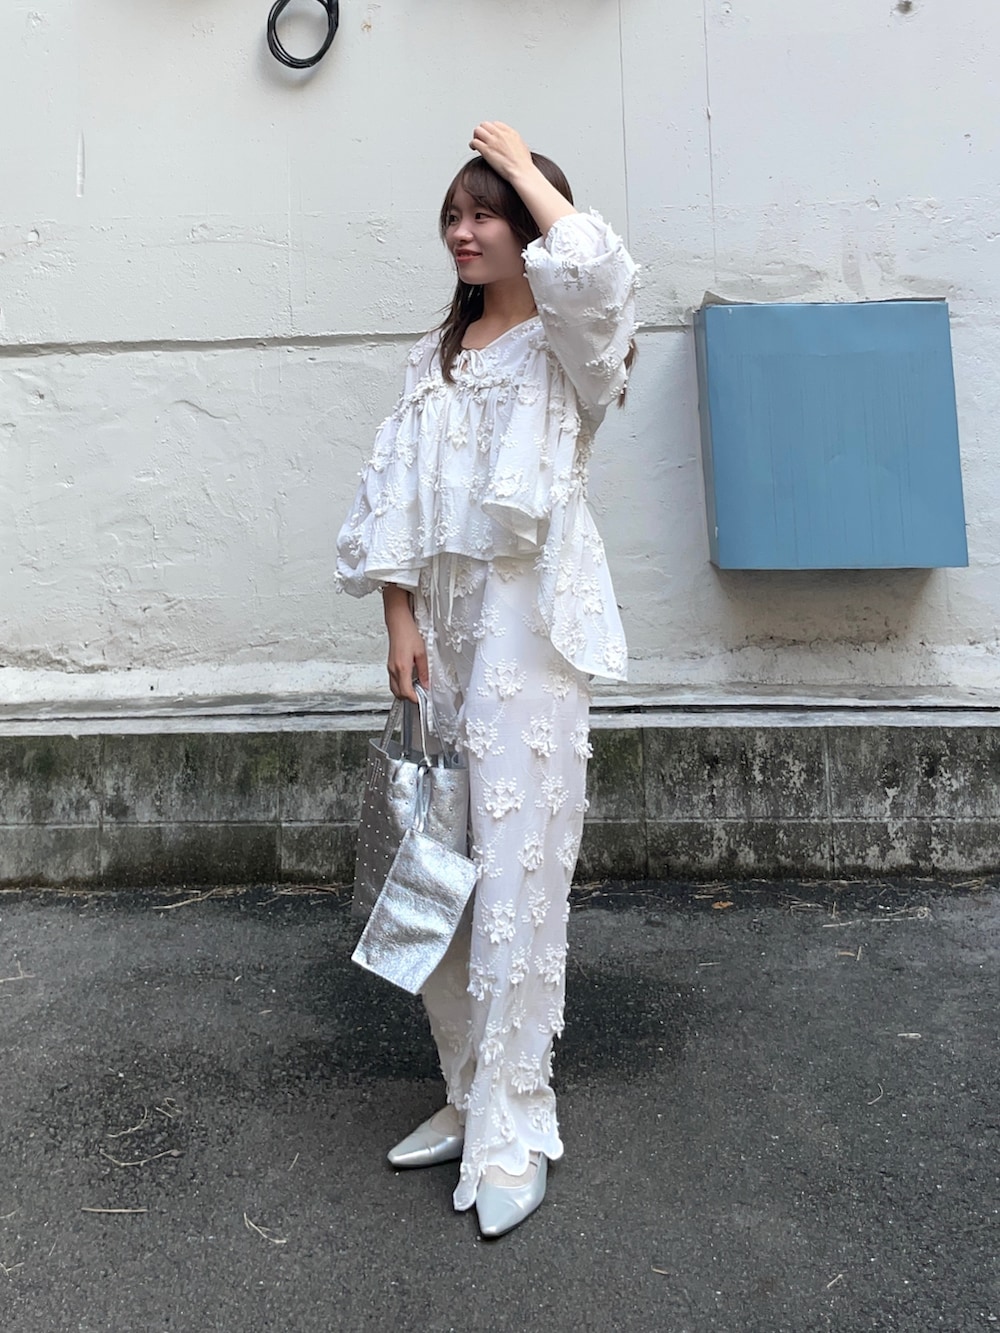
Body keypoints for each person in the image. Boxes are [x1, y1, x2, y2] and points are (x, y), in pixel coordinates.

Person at [336, 121, 638, 1237]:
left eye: (486, 214)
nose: (463, 233)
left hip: (530, 629)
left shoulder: (571, 346)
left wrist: (522, 167)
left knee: (516, 878)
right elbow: (394, 493)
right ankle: (465, 1091)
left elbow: (597, 271)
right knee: (435, 865)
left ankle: (515, 1116)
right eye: (454, 217)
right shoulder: (438, 354)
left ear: (526, 225)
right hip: (442, 635)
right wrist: (397, 616)